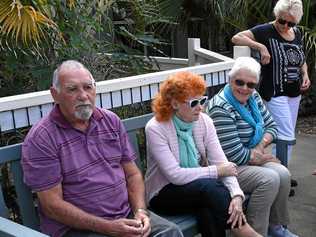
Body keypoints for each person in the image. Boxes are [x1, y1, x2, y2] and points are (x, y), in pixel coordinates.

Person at [21, 60, 184, 237]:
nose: (83, 96)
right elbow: (52, 205)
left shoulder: (110, 121)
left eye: (88, 87)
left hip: (126, 216)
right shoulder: (43, 138)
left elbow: (133, 174)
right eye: (72, 89)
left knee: (170, 232)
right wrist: (108, 227)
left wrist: (140, 212)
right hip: (78, 228)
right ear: (55, 94)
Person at [145, 71, 261, 237]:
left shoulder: (204, 121)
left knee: (207, 208)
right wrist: (216, 171)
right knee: (210, 187)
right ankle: (245, 232)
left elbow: (221, 162)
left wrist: (236, 195)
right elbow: (175, 175)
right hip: (163, 194)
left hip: (197, 191)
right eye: (194, 103)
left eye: (202, 100)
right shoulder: (156, 128)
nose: (200, 107)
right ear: (175, 104)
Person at [207, 57, 298, 237]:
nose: (245, 88)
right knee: (269, 179)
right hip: (227, 168)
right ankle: (256, 233)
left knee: (283, 174)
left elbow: (272, 127)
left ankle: (276, 227)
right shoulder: (221, 108)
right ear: (229, 80)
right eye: (239, 82)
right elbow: (234, 155)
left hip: (251, 157)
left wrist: (260, 145)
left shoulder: (253, 97)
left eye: (251, 84)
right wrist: (263, 156)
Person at [231, 0, 311, 190]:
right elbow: (236, 38)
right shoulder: (265, 30)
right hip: (274, 92)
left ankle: (282, 170)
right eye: (282, 21)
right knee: (283, 133)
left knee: (288, 133)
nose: (285, 26)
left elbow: (302, 59)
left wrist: (305, 74)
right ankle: (281, 176)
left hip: (294, 92)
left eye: (290, 23)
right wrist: (260, 46)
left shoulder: (296, 33)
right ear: (277, 15)